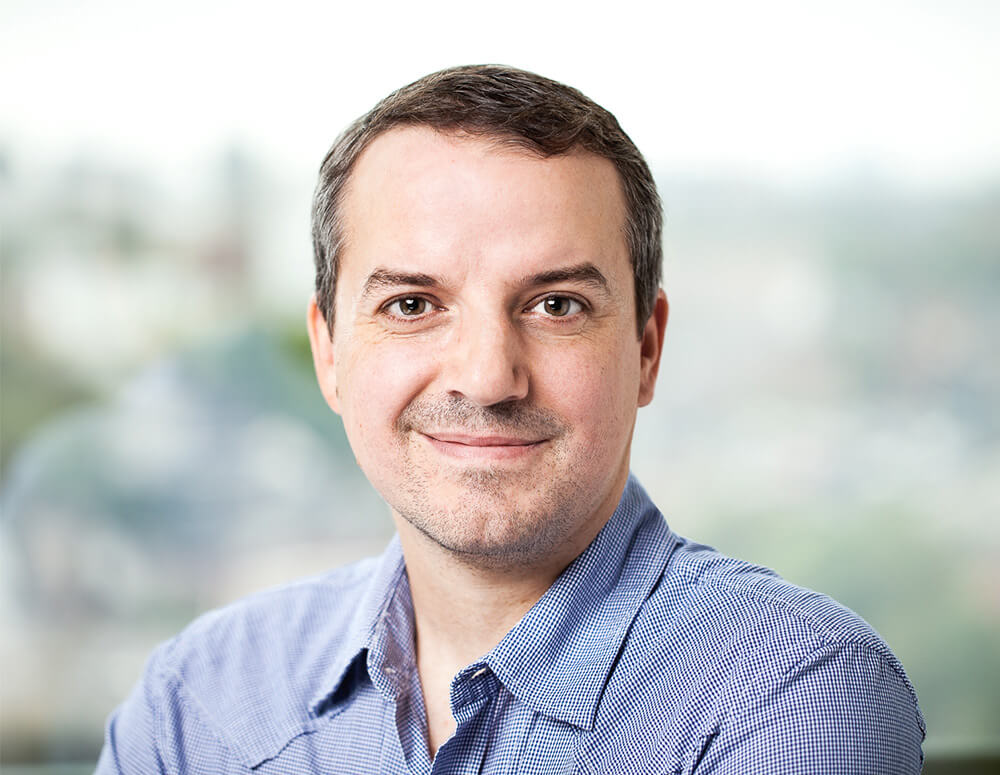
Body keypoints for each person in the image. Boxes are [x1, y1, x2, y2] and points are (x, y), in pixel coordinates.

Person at [96, 65, 925, 774]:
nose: (488, 376)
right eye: (413, 303)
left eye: (556, 304)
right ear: (330, 353)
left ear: (645, 347)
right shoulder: (194, 702)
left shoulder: (797, 692)